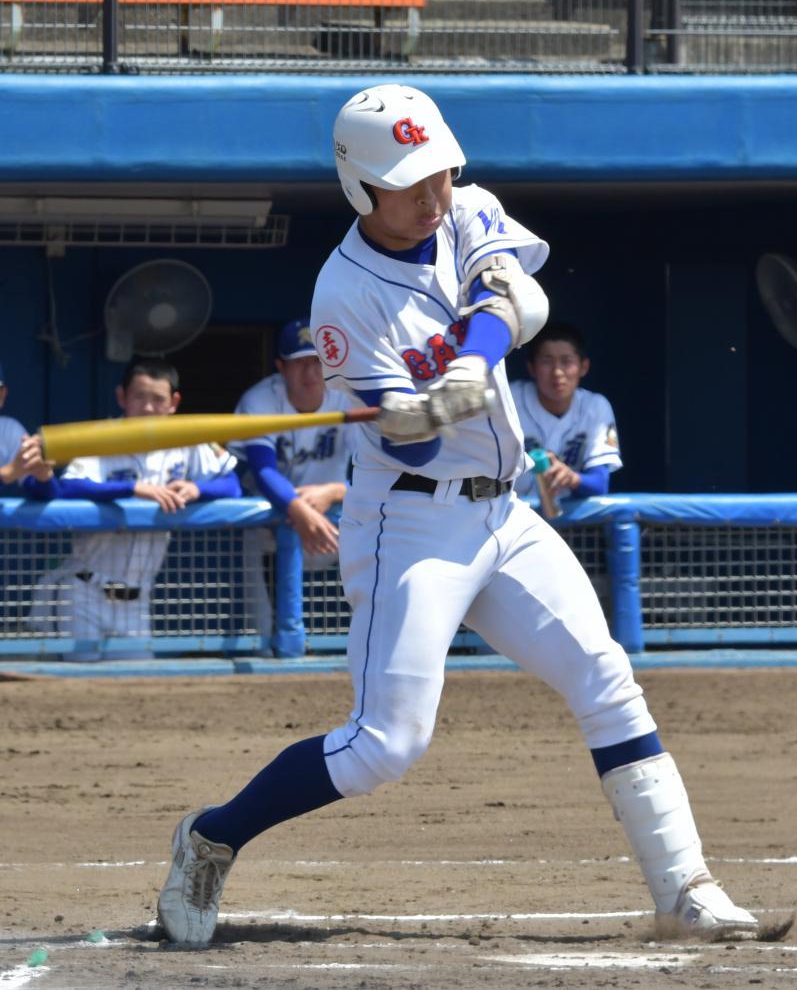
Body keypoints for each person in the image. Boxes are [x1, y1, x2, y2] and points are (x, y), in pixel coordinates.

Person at [155, 83, 759, 947]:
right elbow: (411, 452)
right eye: (410, 181)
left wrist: (474, 359)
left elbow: (521, 300)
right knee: (385, 746)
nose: (433, 193)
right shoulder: (344, 296)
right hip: (410, 527)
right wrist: (426, 413)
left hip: (505, 516)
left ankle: (685, 888)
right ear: (360, 188)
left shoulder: (467, 206)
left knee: (606, 678)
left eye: (439, 170)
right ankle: (212, 836)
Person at [20, 357, 241, 662]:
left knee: (138, 686)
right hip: (85, 591)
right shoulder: (102, 436)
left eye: (158, 399)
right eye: (139, 397)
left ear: (174, 403)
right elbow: (68, 487)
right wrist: (133, 489)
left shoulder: (188, 440)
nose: (148, 408)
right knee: (77, 687)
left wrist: (197, 489)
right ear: (122, 397)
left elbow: (232, 484)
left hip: (136, 601)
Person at [231, 319, 361, 636]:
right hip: (272, 524)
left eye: (317, 362)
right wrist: (296, 507)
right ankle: (266, 651)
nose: (311, 373)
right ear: (281, 367)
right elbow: (262, 470)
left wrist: (334, 491)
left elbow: (375, 469)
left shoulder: (347, 396)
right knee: (264, 625)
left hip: (334, 520)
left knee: (367, 592)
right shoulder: (261, 400)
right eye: (300, 363)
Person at [510, 322, 622, 504]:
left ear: (583, 367)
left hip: (571, 522)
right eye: (547, 361)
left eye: (566, 361)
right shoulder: (510, 400)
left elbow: (600, 484)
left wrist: (572, 478)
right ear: (531, 368)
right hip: (512, 515)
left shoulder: (595, 407)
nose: (557, 372)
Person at [0, 361, 31, 493]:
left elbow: (37, 486)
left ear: (2, 395)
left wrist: (44, 475)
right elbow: (11, 472)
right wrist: (8, 473)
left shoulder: (9, 429)